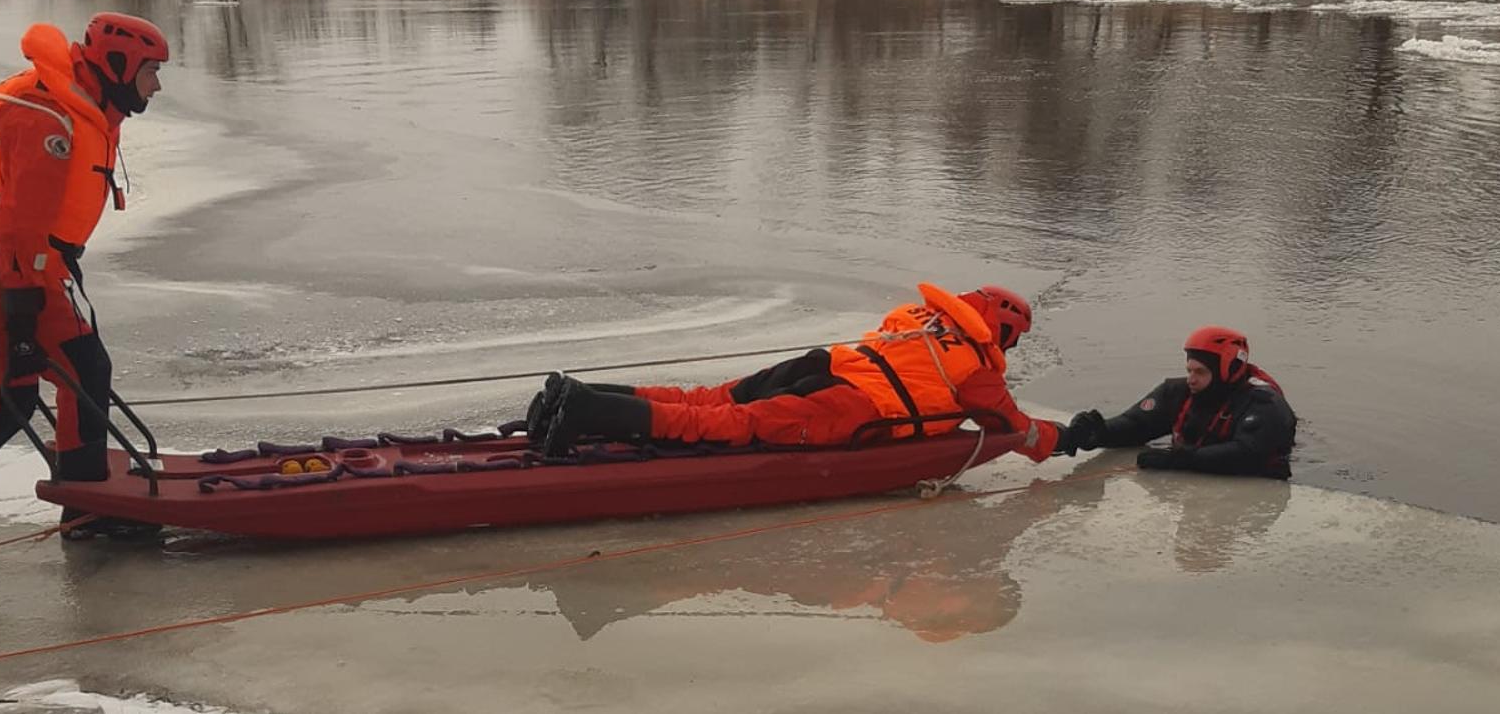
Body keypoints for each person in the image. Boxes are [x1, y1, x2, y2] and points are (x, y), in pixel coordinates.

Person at [0, 13, 170, 558]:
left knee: (85, 365)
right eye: (151, 72)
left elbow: (34, 228)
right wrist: (20, 321)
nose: (156, 86)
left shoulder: (89, 103)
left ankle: (86, 504)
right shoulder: (46, 120)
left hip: (34, 254)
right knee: (7, 393)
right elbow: (18, 225)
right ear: (117, 67)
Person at [526, 283, 1069, 461]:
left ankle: (581, 394)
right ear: (1002, 331)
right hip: (852, 407)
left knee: (711, 399)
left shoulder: (919, 319)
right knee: (729, 426)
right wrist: (1058, 439)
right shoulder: (975, 364)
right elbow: (1008, 426)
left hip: (825, 363)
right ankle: (588, 409)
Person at [1064, 325, 1296, 479]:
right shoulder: (1178, 393)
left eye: (1201, 372)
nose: (1191, 380)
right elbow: (1135, 424)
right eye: (1189, 370)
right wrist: (1099, 432)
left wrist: (1179, 460)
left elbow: (1248, 454)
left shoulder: (1264, 404)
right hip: (1198, 457)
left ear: (1228, 371)